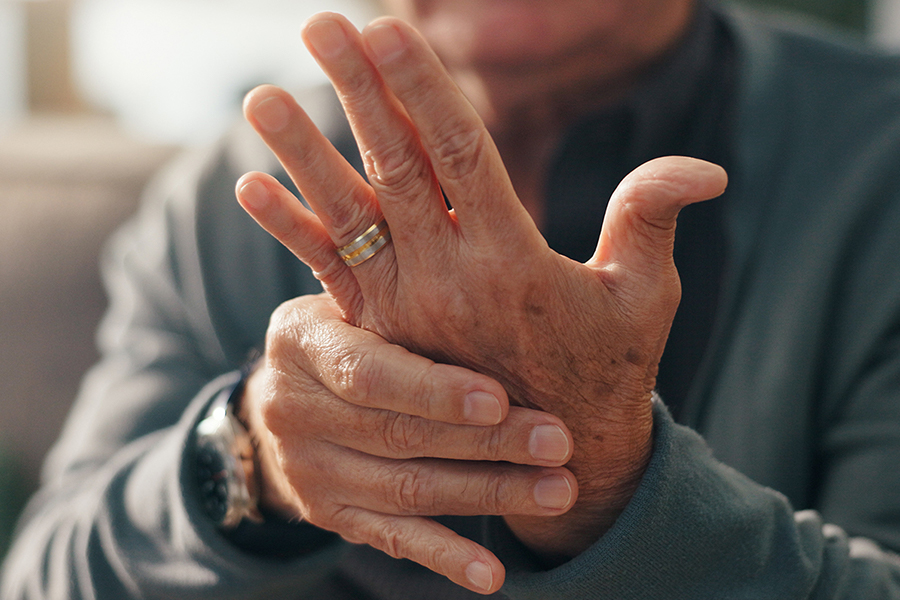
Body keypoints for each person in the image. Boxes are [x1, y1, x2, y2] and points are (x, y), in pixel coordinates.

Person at [4, 0, 900, 597]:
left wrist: (612, 491)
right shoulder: (227, 199)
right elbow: (45, 577)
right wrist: (251, 457)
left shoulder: (876, 162)